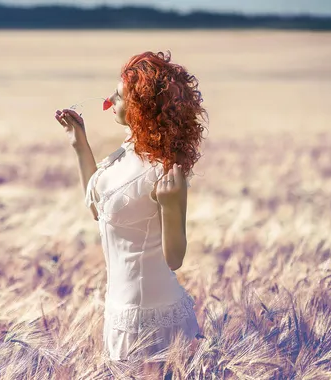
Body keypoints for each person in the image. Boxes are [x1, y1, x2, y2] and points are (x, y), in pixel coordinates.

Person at [54, 51, 207, 363]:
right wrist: (79, 143)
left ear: (141, 107)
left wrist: (170, 205)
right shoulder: (126, 152)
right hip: (119, 310)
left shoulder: (164, 170)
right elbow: (99, 208)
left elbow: (175, 259)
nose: (109, 101)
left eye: (119, 96)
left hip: (152, 318)